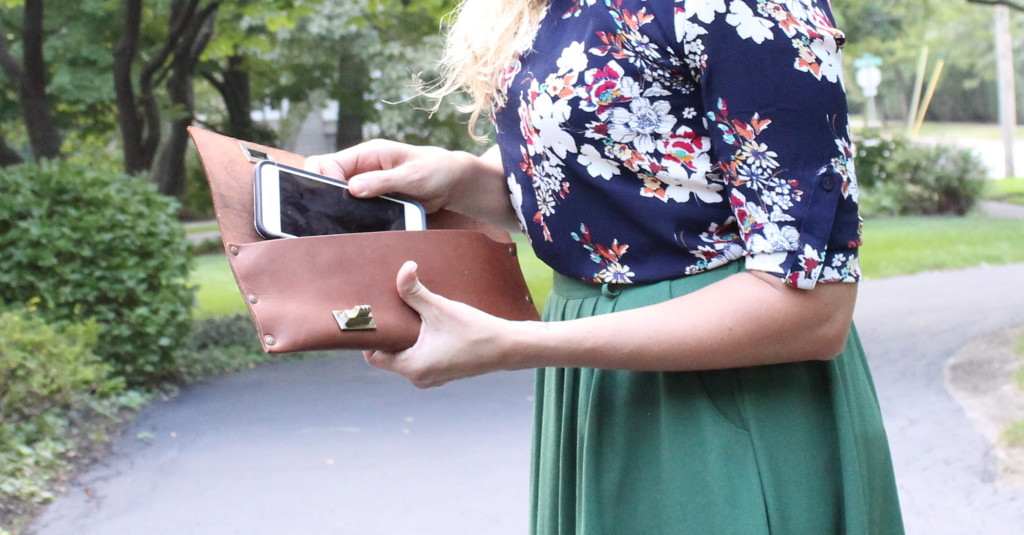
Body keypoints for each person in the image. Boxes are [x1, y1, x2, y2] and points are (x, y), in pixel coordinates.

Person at [306, 0, 905, 532]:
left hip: (733, 397)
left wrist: (518, 344)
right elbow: (621, 192)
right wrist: (461, 178)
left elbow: (813, 309)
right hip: (599, 386)